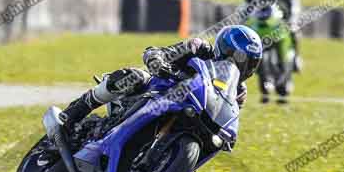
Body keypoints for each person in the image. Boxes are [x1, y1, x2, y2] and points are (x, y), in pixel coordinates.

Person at [59, 25, 263, 132]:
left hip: (188, 116)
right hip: (156, 90)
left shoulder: (239, 92)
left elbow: (225, 118)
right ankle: (74, 111)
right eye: (239, 58)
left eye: (249, 62)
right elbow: (159, 52)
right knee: (134, 76)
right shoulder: (198, 48)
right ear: (224, 48)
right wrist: (158, 61)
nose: (241, 65)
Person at [244, 0, 302, 72]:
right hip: (262, 19)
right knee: (248, 34)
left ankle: (296, 57)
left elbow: (294, 4)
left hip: (282, 18)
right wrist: (243, 19)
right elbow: (245, 6)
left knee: (294, 30)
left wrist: (292, 19)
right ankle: (249, 62)